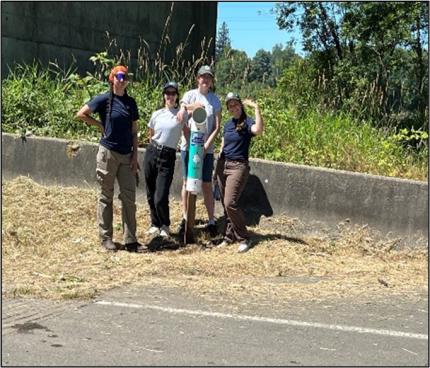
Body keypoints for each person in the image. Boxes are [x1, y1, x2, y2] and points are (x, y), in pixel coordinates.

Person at [76, 65, 141, 251]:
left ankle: (131, 240)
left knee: (129, 198)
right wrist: (99, 125)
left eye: (125, 77)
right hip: (108, 154)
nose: (122, 80)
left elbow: (135, 131)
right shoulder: (104, 99)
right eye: (119, 76)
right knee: (106, 196)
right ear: (112, 79)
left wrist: (135, 155)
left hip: (127, 155)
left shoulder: (131, 103)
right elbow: (81, 114)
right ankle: (106, 239)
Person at [176, 65, 222, 237]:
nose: (205, 80)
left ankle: (211, 220)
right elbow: (181, 117)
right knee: (186, 182)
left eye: (208, 77)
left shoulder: (215, 100)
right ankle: (186, 217)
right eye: (202, 77)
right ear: (197, 78)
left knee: (206, 184)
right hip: (188, 147)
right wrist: (191, 141)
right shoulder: (189, 95)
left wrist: (205, 146)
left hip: (206, 150)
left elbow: (217, 127)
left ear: (211, 81)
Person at [215, 92, 264, 253]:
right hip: (223, 164)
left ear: (240, 106)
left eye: (236, 104)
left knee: (230, 202)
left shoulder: (247, 122)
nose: (233, 108)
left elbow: (258, 130)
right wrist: (218, 162)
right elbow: (223, 144)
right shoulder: (228, 125)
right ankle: (229, 237)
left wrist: (256, 108)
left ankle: (244, 237)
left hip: (238, 166)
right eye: (230, 106)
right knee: (225, 204)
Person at [143, 81, 187, 238]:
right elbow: (151, 134)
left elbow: (199, 107)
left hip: (168, 156)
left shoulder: (181, 114)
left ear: (177, 96)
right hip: (152, 151)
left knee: (161, 195)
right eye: (167, 93)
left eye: (173, 93)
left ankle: (165, 225)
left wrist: (183, 107)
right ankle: (155, 223)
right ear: (164, 96)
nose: (170, 96)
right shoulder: (157, 114)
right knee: (150, 192)